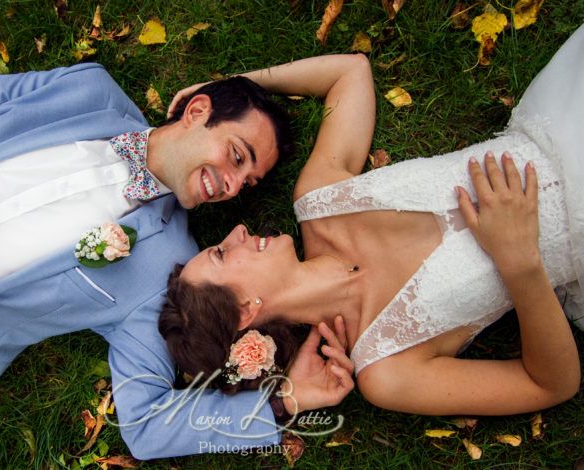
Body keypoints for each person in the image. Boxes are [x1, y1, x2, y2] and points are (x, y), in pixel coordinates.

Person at [0, 64, 354, 458]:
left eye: (245, 182)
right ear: (197, 110)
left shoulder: (169, 270)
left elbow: (146, 424)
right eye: (236, 156)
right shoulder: (86, 90)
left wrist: (282, 401)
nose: (231, 186)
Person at [160, 24, 584, 418]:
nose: (235, 233)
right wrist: (520, 262)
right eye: (219, 254)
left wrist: (232, 88)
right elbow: (549, 384)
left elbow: (350, 72)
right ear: (245, 313)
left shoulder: (319, 198)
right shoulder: (387, 371)